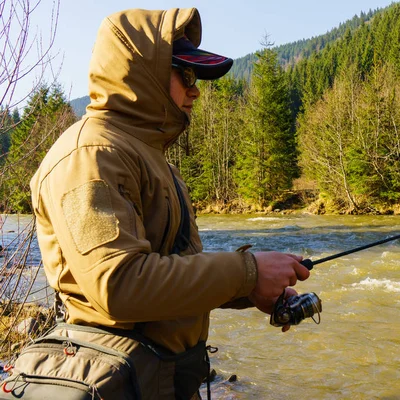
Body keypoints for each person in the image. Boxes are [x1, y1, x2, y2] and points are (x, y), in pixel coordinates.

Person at [28, 7, 310, 399]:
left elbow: (172, 270)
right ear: (147, 74)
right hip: (122, 384)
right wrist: (245, 271)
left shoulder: (151, 158)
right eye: (187, 75)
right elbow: (120, 285)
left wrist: (251, 289)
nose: (195, 90)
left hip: (165, 380)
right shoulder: (90, 156)